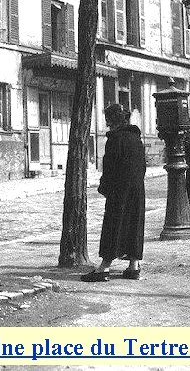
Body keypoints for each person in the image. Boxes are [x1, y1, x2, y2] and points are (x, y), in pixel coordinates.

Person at [81, 104, 145, 282]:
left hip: (119, 190)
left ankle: (104, 268)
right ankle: (133, 266)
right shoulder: (136, 138)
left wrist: (105, 188)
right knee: (134, 225)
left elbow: (109, 170)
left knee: (113, 226)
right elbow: (142, 166)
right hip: (137, 190)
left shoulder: (115, 139)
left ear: (111, 121)